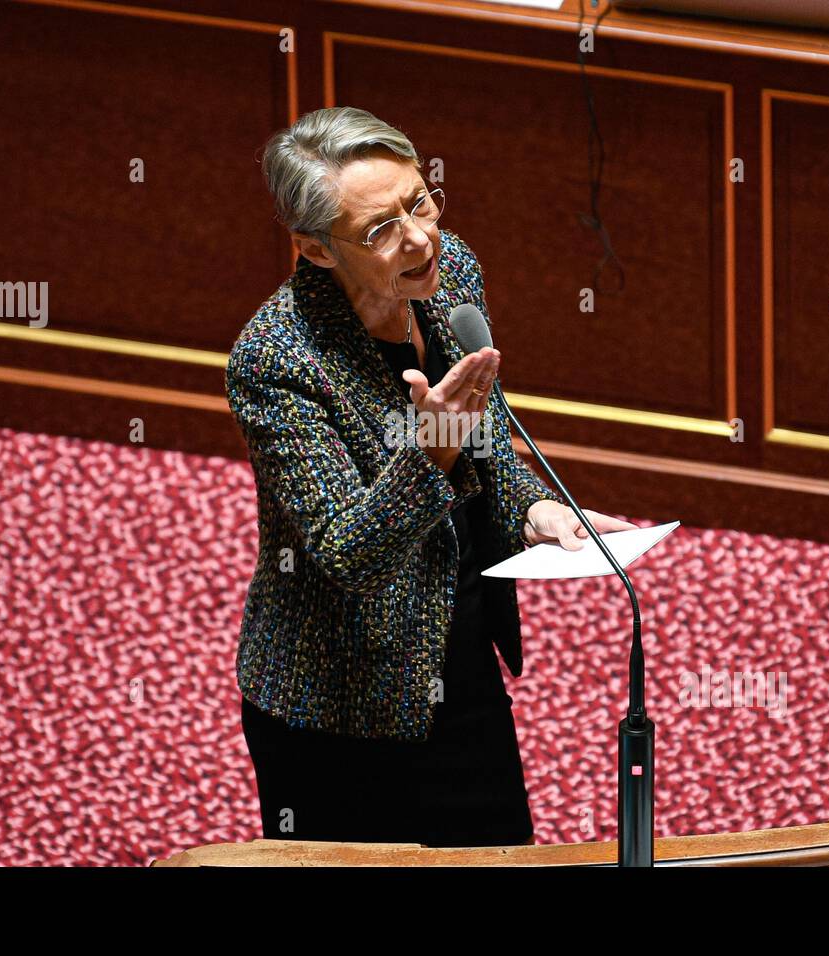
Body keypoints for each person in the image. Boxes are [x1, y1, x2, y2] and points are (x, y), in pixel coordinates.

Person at [226, 106, 637, 848]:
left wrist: (535, 511)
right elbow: (351, 551)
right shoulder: (277, 362)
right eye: (380, 228)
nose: (420, 236)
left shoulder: (449, 277)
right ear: (316, 250)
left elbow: (488, 443)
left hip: (459, 663)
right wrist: (432, 448)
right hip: (338, 710)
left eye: (420, 200)